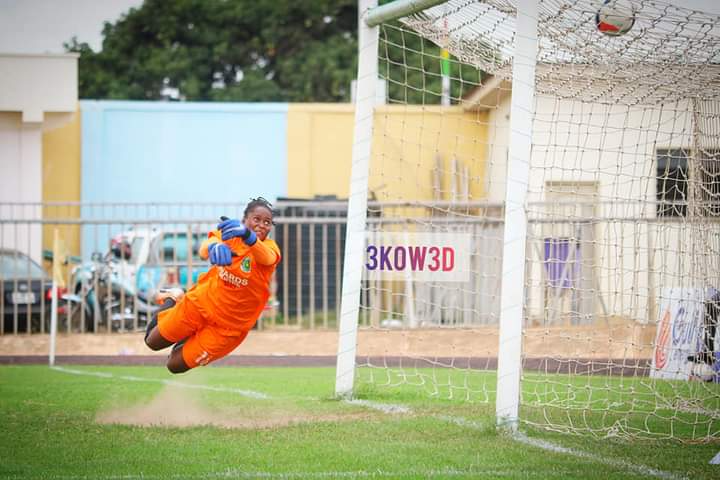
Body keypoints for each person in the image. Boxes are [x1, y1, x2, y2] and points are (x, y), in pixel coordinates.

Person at [144, 197, 281, 373]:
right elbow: (204, 247)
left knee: (174, 365)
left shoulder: (270, 248)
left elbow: (268, 257)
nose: (262, 225)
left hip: (228, 329)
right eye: (257, 219)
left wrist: (248, 236)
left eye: (267, 222)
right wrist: (214, 246)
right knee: (152, 342)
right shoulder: (230, 236)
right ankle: (175, 298)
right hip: (201, 303)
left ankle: (193, 335)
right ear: (244, 220)